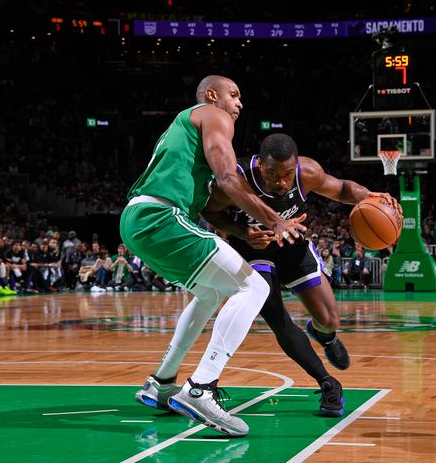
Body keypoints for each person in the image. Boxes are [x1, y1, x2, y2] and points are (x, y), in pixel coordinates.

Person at [121, 76, 304, 437]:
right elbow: (227, 179)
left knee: (210, 292)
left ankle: (161, 383)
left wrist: (242, 232)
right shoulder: (211, 115)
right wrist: (275, 219)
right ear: (211, 95)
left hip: (141, 220)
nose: (238, 104)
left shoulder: (191, 138)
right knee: (254, 287)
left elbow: (212, 209)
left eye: (240, 98)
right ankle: (201, 389)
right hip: (161, 216)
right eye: (233, 95)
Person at [202, 133, 401, 416]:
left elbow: (342, 188)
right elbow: (210, 211)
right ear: (260, 166)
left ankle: (324, 334)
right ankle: (327, 382)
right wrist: (241, 231)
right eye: (273, 174)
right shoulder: (237, 179)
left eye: (286, 174)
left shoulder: (306, 172)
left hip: (293, 245)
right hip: (254, 248)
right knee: (278, 319)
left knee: (330, 318)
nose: (281, 182)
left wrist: (369, 196)